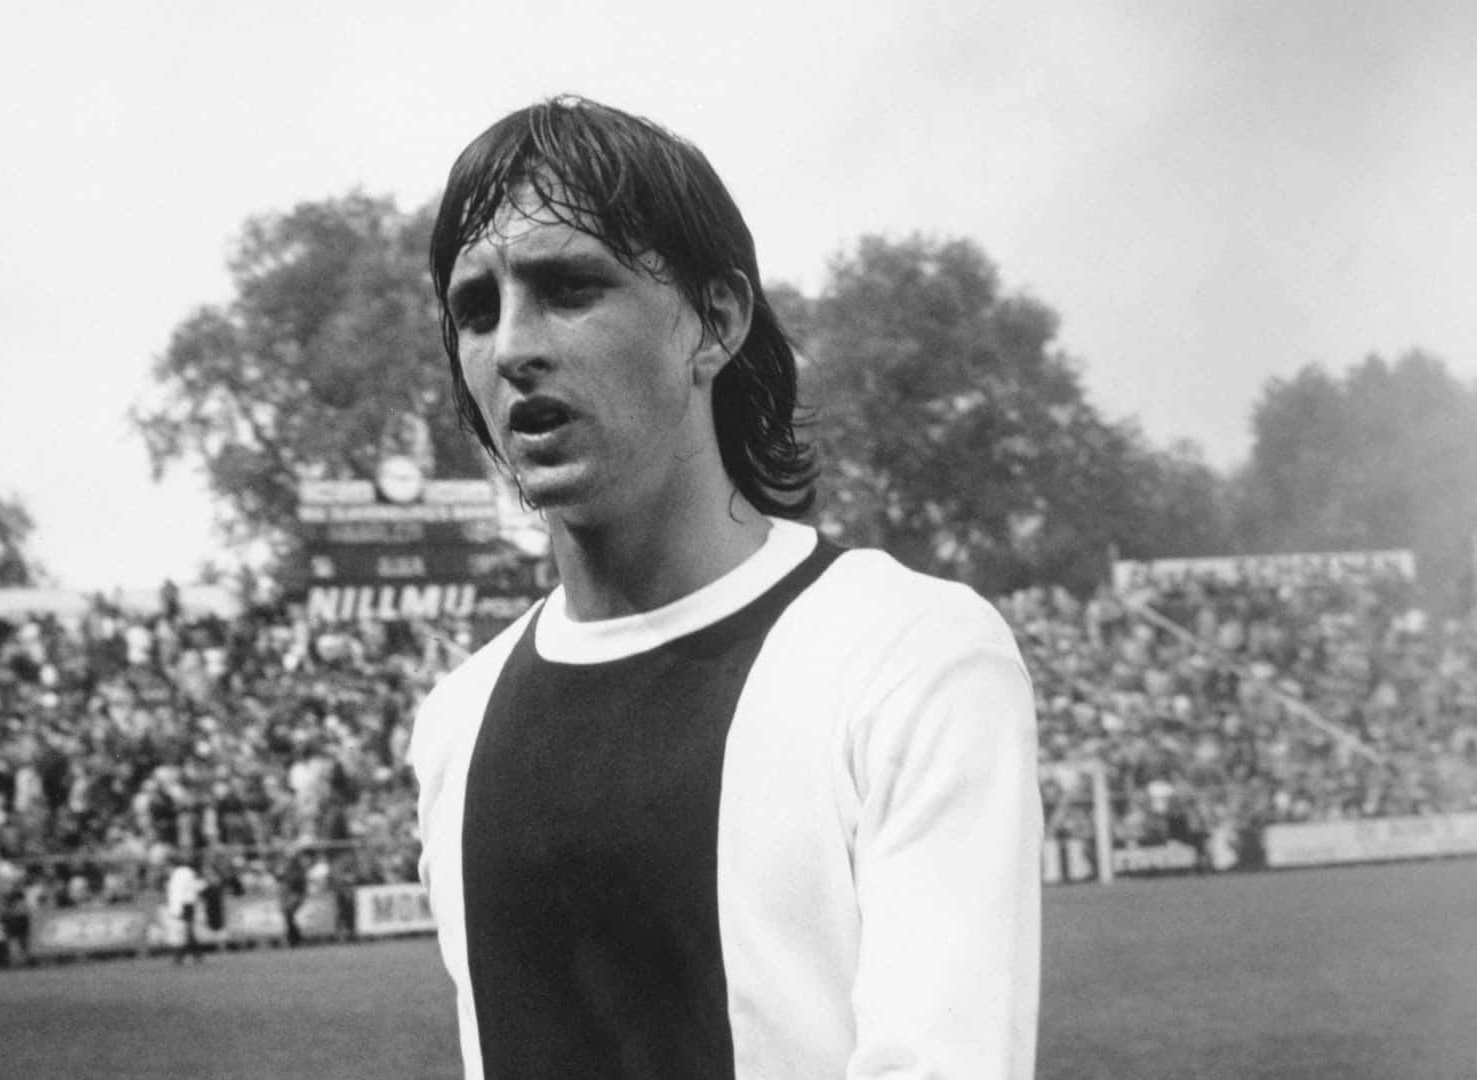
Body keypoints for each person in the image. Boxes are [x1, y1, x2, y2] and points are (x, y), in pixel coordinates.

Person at [411, 96, 1041, 1079]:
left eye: (569, 288)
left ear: (716, 320)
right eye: (476, 310)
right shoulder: (456, 722)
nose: (513, 347)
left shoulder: (907, 657)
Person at [164, 851, 204, 964]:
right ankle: (194, 954)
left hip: (183, 905)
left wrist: (176, 908)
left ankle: (180, 955)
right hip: (188, 903)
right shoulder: (187, 872)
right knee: (186, 930)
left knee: (183, 931)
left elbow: (177, 893)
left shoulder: (179, 874)